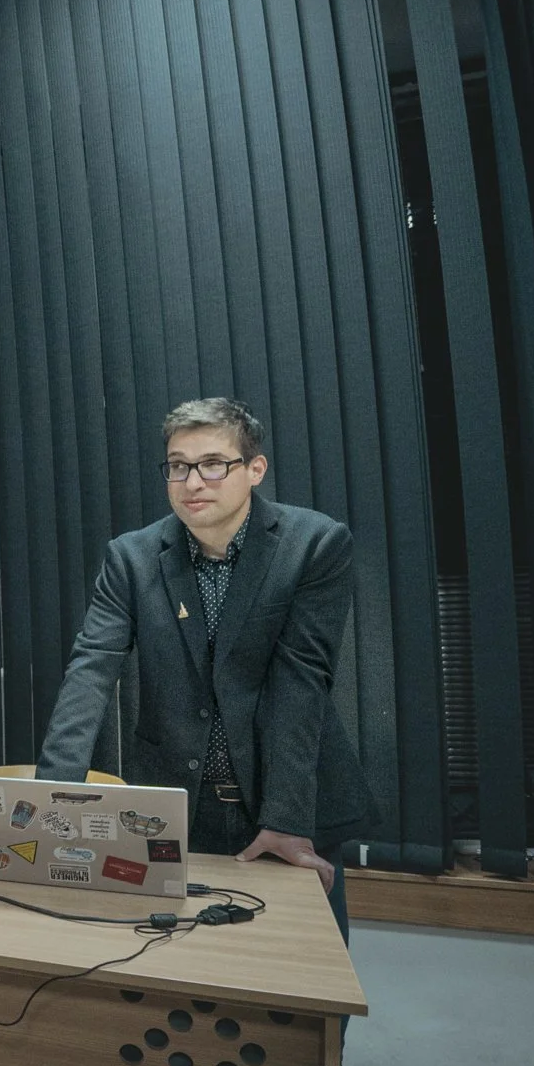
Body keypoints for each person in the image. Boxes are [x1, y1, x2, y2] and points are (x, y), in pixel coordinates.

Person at [35, 398, 367, 940]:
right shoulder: (132, 557)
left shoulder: (314, 544)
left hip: (284, 796)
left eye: (213, 464)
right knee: (172, 956)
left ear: (254, 469)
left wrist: (285, 819)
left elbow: (301, 680)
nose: (193, 482)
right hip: (174, 803)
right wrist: (52, 798)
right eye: (178, 465)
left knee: (298, 964)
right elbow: (90, 671)